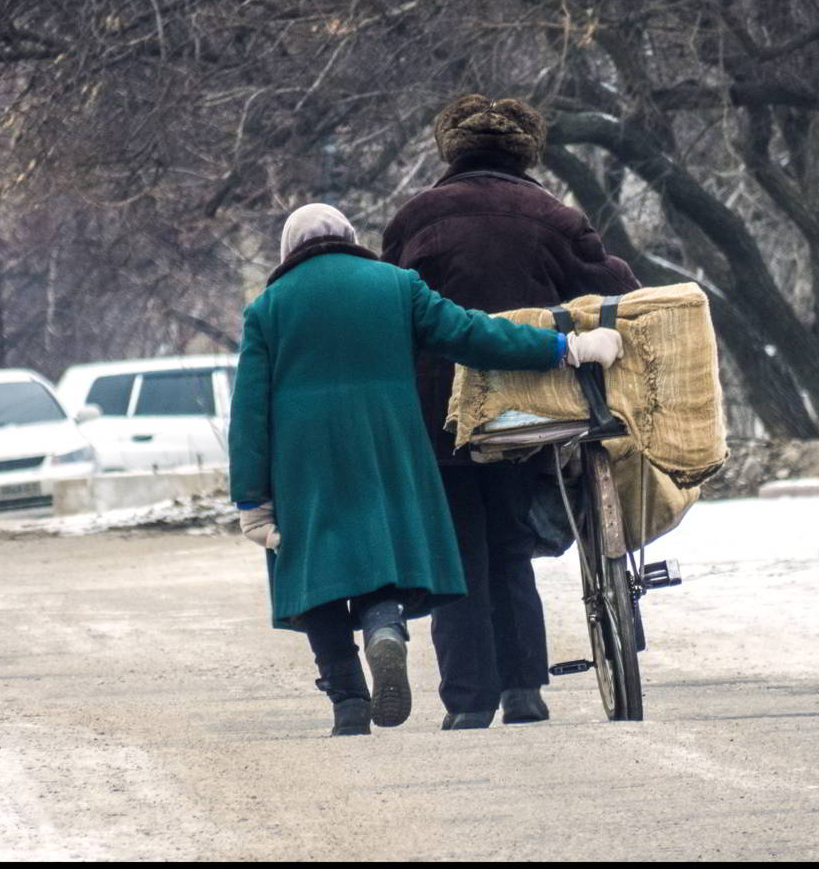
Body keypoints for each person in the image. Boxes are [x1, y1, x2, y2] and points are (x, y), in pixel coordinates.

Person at [228, 203, 623, 736]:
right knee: (377, 548)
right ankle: (384, 623)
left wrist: (252, 499)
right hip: (388, 443)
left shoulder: (267, 308)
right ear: (349, 237)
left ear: (287, 251)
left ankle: (348, 701)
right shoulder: (394, 285)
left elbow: (249, 410)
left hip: (302, 457)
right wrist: (565, 347)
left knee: (312, 565)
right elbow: (473, 335)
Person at [381, 94, 642, 730]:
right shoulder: (554, 216)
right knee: (508, 547)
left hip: (439, 412)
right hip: (536, 409)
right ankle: (526, 688)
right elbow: (617, 293)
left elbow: (391, 307)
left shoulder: (417, 217)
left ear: (452, 150)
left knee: (459, 550)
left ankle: (469, 702)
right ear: (525, 153)